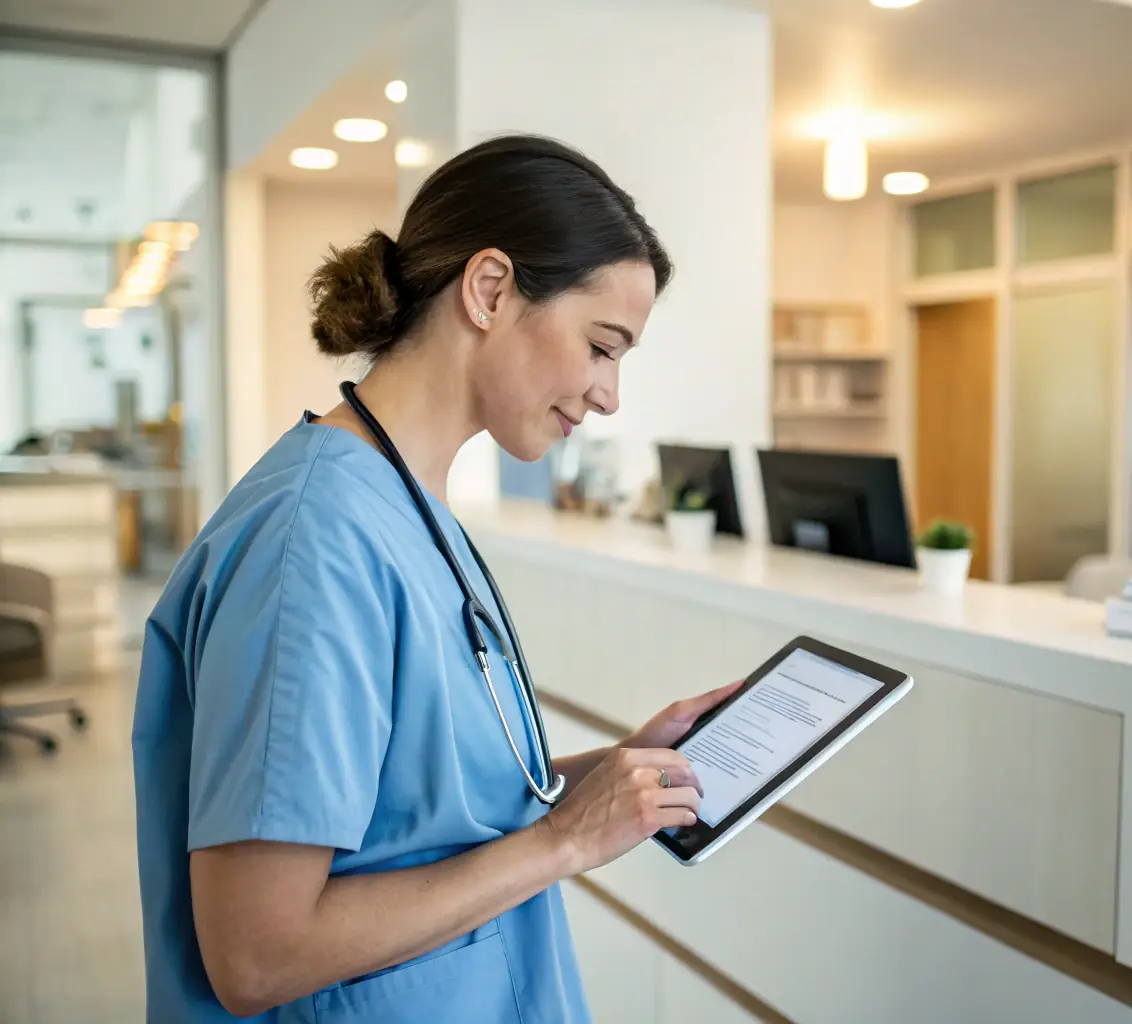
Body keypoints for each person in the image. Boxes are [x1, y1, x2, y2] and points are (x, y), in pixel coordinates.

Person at [131, 134, 739, 1023]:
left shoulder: (401, 505)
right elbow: (257, 955)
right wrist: (567, 840)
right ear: (490, 290)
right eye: (602, 346)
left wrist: (615, 772)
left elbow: (417, 812)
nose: (610, 395)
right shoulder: (314, 546)